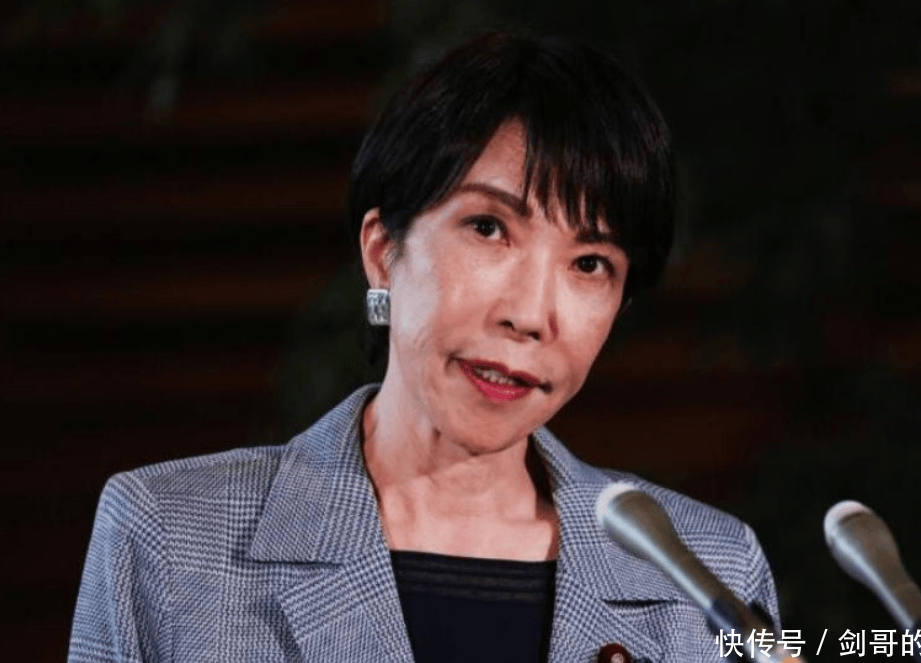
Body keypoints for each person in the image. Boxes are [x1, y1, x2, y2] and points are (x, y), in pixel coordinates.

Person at [69, 32, 780, 663]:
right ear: (383, 251)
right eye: (489, 228)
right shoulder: (168, 537)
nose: (530, 315)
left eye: (590, 263)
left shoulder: (712, 574)